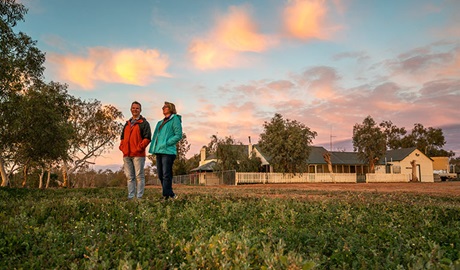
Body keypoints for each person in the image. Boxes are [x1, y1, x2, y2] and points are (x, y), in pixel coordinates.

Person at [149, 101, 182, 200]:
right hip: (159, 151)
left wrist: (166, 143)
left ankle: (166, 196)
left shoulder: (175, 119)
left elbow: (178, 135)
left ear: (171, 108)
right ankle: (170, 194)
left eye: (165, 106)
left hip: (168, 151)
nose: (163, 108)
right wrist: (155, 147)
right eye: (163, 106)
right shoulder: (160, 123)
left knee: (166, 174)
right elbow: (156, 137)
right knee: (160, 174)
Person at [119, 101, 151, 199]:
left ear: (140, 110)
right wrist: (122, 148)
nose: (135, 110)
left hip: (138, 155)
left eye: (137, 108)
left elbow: (147, 138)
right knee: (129, 177)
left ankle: (139, 197)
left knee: (139, 176)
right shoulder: (127, 124)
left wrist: (139, 148)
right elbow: (122, 138)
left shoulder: (144, 123)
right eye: (133, 108)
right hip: (127, 155)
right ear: (131, 109)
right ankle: (131, 196)